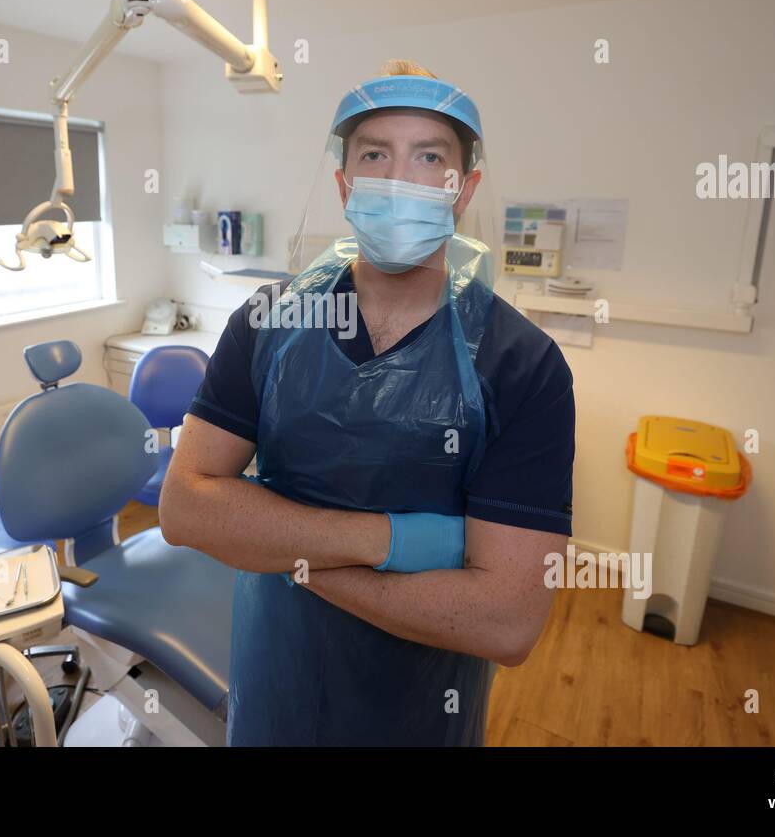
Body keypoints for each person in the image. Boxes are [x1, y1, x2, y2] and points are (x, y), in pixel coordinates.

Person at [158, 60, 575, 746]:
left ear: (463, 188)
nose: (398, 178)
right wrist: (399, 542)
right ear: (344, 182)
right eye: (375, 155)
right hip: (274, 678)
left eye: (429, 157)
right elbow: (183, 508)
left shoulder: (520, 365)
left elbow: (506, 622)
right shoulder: (268, 324)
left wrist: (281, 550)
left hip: (421, 705)